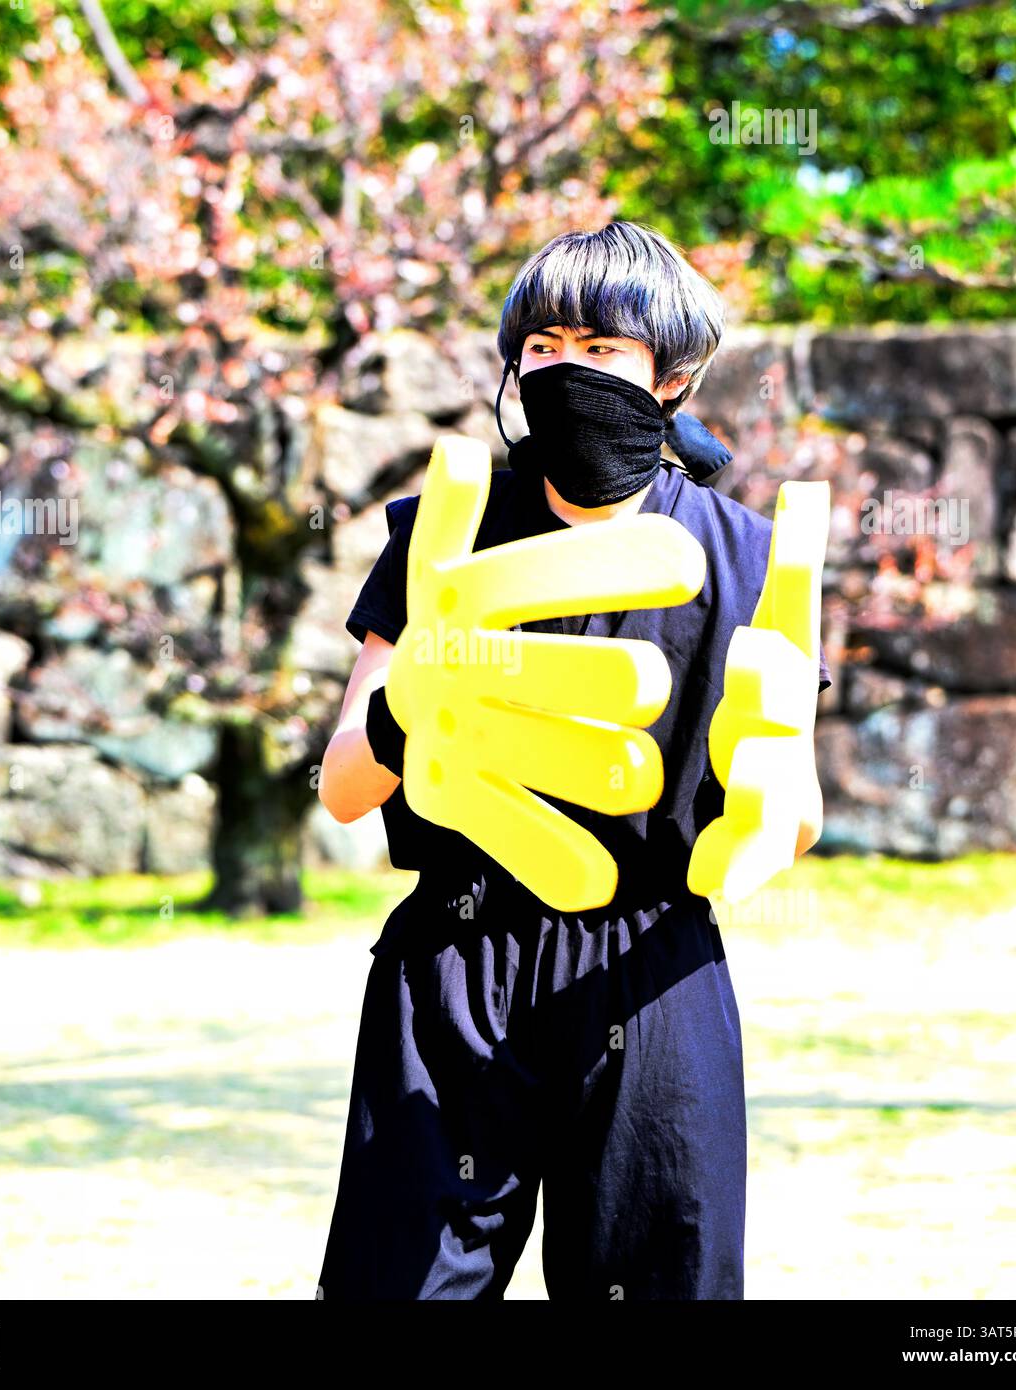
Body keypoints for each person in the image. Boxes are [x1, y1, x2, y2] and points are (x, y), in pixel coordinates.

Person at [315, 220, 831, 1300]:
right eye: (542, 346)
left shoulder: (751, 558)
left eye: (600, 350)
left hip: (648, 968)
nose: (563, 370)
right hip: (456, 963)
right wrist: (414, 707)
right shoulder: (443, 540)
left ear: (672, 376)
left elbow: (797, 815)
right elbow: (344, 784)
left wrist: (766, 789)